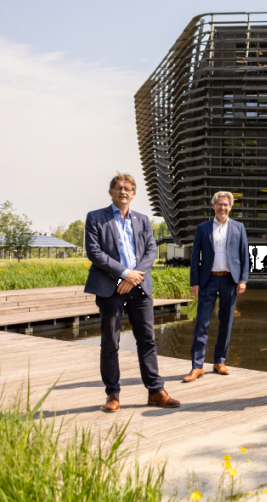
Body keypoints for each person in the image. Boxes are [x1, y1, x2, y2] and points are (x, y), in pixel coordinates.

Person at [85, 172, 181, 412]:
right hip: (110, 288)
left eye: (128, 188)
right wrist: (123, 273)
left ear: (134, 193)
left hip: (138, 287)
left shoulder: (143, 220)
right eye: (118, 187)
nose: (123, 191)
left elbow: (150, 251)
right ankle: (113, 395)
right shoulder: (96, 218)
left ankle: (156, 391)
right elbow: (95, 253)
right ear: (111, 192)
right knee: (110, 342)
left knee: (147, 340)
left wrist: (133, 275)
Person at [183, 191, 249, 382]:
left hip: (230, 281)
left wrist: (243, 280)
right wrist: (194, 282)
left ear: (230, 207)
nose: (222, 207)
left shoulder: (238, 228)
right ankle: (197, 366)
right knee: (202, 323)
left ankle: (219, 361)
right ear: (213, 206)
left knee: (226, 322)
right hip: (208, 281)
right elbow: (195, 257)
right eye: (219, 204)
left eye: (226, 204)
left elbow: (244, 256)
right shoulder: (202, 228)